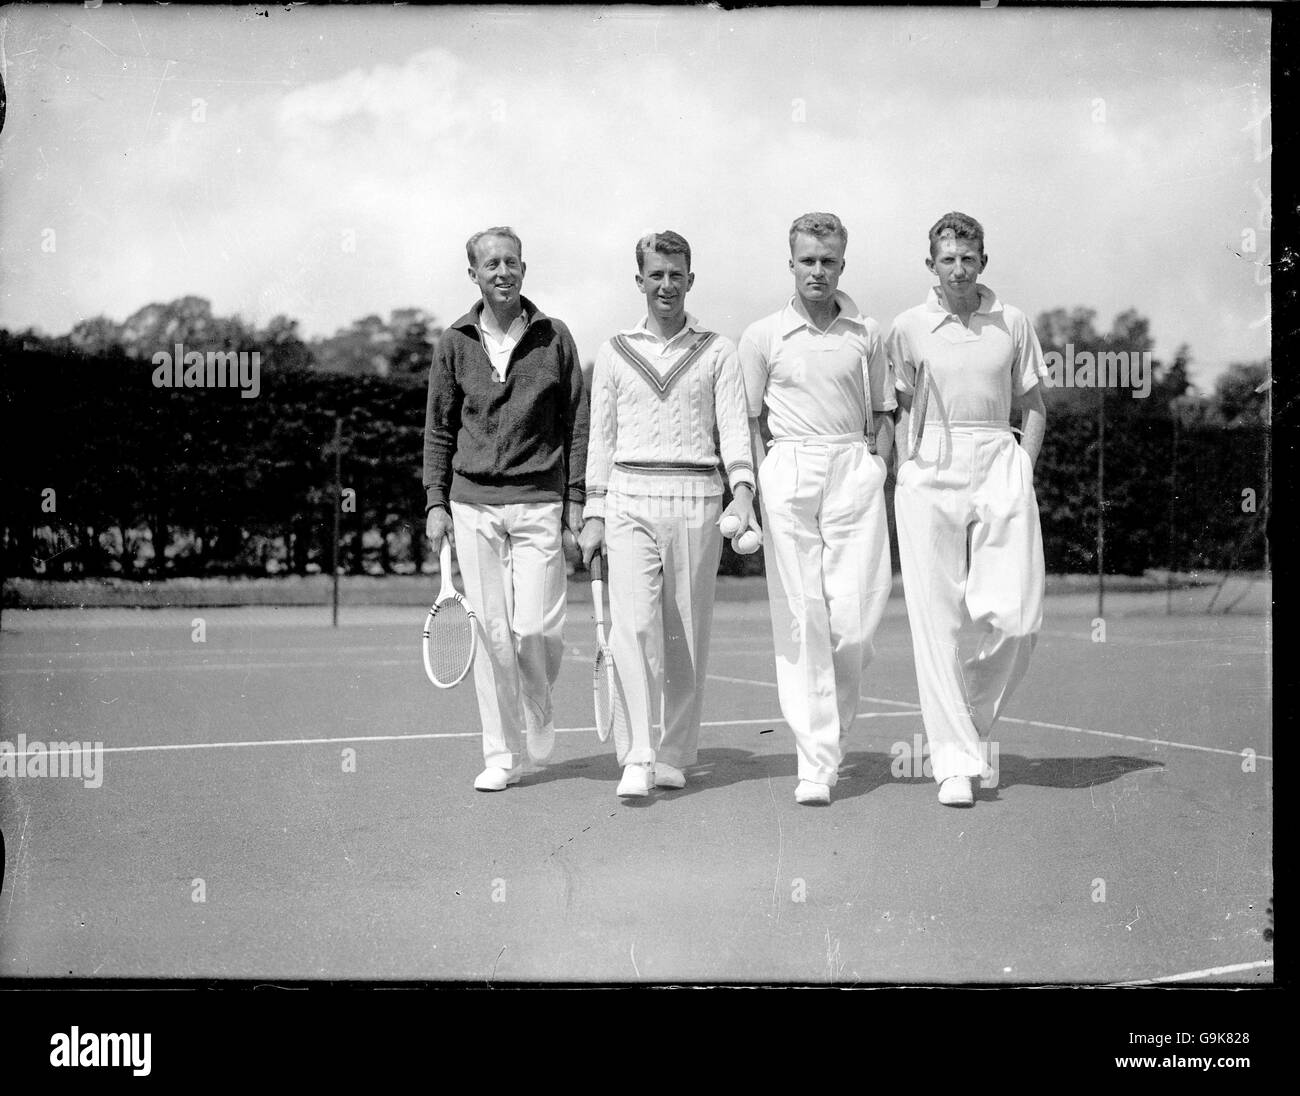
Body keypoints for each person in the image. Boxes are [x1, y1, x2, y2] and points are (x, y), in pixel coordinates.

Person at [577, 230, 755, 798]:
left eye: (676, 274)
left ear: (690, 280)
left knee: (684, 633)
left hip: (697, 497)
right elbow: (600, 438)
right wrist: (594, 511)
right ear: (640, 281)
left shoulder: (719, 350)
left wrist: (744, 490)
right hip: (629, 496)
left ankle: (675, 752)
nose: (666, 285)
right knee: (632, 627)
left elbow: (732, 427)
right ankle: (636, 754)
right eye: (656, 275)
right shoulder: (612, 351)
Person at [886, 211, 1048, 807]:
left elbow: (1034, 404)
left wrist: (1021, 469)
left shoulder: (1013, 322)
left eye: (969, 258)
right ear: (931, 265)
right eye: (947, 259)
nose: (959, 268)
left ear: (984, 261)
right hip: (932, 464)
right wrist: (908, 467)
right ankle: (953, 761)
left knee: (1017, 617)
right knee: (937, 620)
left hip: (999, 458)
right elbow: (895, 408)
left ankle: (968, 725)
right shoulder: (906, 327)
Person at [423, 226, 588, 791]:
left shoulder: (555, 337)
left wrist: (577, 500)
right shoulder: (453, 343)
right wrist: (435, 502)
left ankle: (540, 707)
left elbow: (577, 424)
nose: (502, 271)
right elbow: (438, 429)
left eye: (511, 262)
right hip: (472, 506)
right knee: (492, 634)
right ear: (474, 274)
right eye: (490, 263)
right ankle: (500, 754)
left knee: (536, 629)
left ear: (523, 269)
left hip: (540, 501)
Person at [738, 212, 895, 806]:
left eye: (828, 262)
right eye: (808, 261)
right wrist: (754, 486)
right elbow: (750, 420)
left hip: (853, 467)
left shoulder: (867, 333)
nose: (818, 272)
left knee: (854, 620)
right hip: (788, 469)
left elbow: (883, 412)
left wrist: (877, 466)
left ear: (842, 266)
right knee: (803, 617)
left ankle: (829, 738)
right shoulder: (761, 336)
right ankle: (816, 761)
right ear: (792, 264)